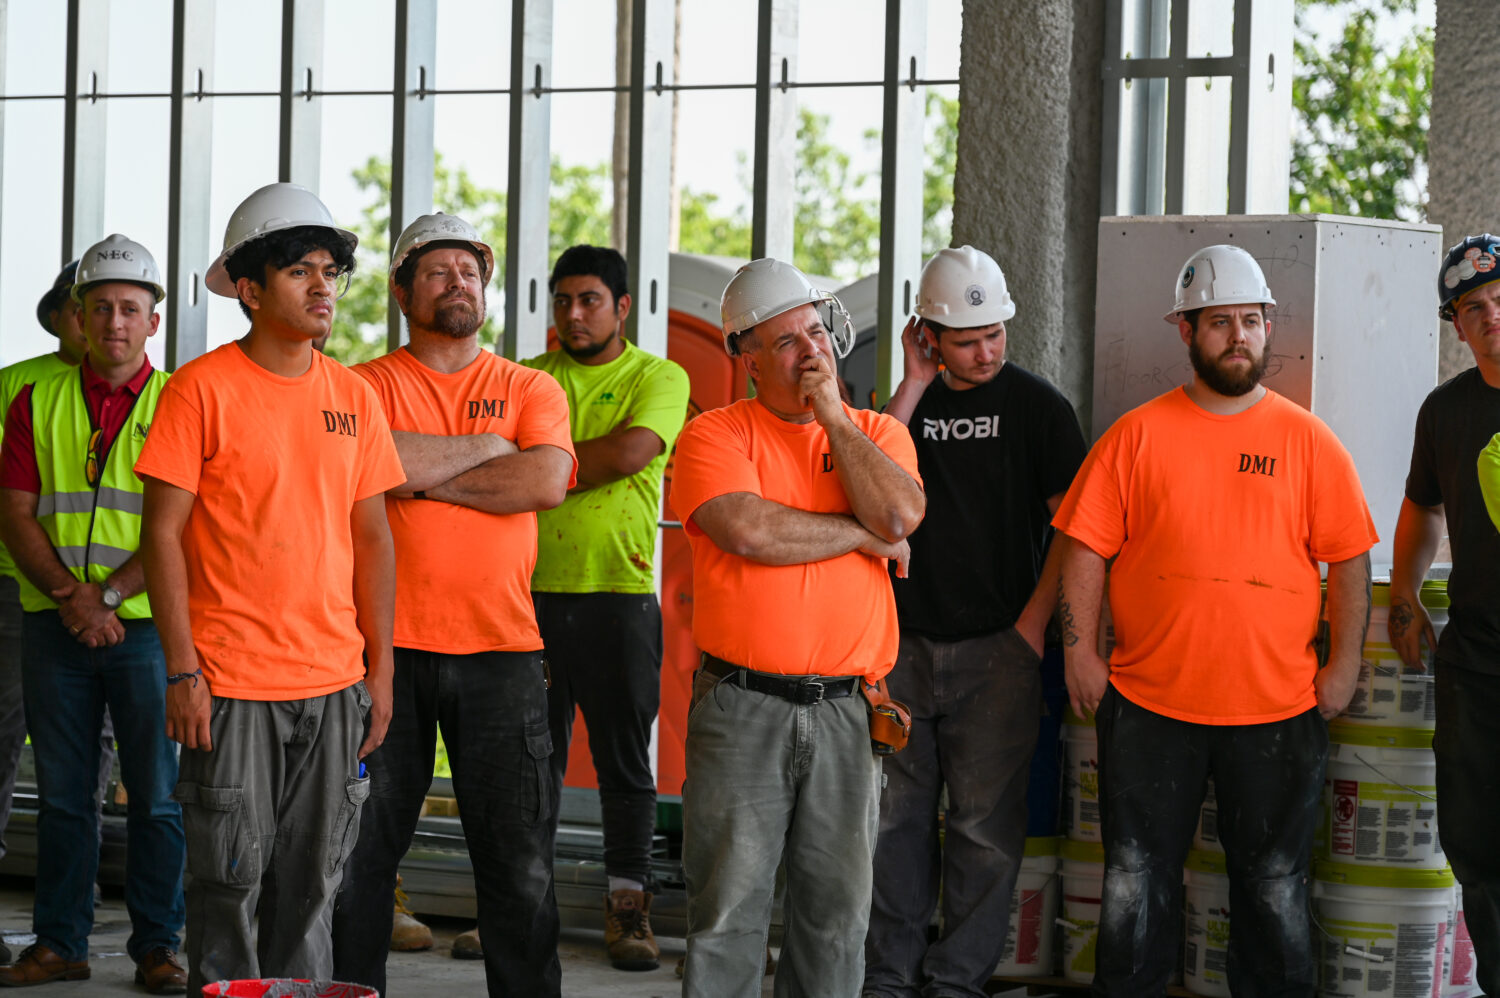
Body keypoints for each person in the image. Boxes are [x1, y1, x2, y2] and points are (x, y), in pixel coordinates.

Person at [1052, 243, 1376, 997]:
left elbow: (1351, 560)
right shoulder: (1135, 437)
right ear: (1186, 332)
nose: (1240, 336)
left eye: (1253, 321)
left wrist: (1345, 666)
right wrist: (1079, 653)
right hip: (1147, 703)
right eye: (1221, 322)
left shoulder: (1309, 442)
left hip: (1278, 708)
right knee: (1134, 880)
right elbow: (1083, 552)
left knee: (1273, 887)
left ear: (1270, 327)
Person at [135, 183, 404, 995]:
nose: (322, 286)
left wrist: (379, 672)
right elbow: (161, 536)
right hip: (231, 686)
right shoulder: (200, 390)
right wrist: (182, 670)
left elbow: (373, 538)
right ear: (250, 290)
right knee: (228, 887)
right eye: (299, 271)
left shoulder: (354, 397)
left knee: (314, 887)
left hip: (333, 685)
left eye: (330, 271)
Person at [330, 212, 575, 998]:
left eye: (469, 270)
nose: (457, 282)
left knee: (519, 866)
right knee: (362, 860)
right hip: (380, 655)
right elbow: (366, 467)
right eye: (437, 272)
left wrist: (418, 475)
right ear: (403, 291)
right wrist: (488, 454)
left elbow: (546, 481)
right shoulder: (360, 386)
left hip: (504, 652)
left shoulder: (528, 385)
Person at [670, 258, 925, 998]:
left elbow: (900, 515)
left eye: (816, 331)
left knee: (837, 918)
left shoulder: (874, 433)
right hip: (742, 706)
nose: (811, 352)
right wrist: (861, 534)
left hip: (851, 710)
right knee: (726, 913)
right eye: (786, 342)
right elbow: (748, 531)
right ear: (746, 358)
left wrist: (837, 419)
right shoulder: (716, 435)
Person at [863, 246, 1086, 998]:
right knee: (894, 823)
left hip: (999, 646)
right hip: (902, 647)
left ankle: (955, 982)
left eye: (994, 332)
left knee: (985, 829)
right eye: (966, 337)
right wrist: (914, 384)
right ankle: (888, 977)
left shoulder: (1040, 409)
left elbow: (1073, 533)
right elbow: (867, 486)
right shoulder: (906, 406)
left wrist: (1030, 628)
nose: (986, 350)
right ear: (927, 334)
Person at [0, 237, 186, 992]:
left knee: (159, 797)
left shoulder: (182, 400)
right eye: (101, 307)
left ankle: (158, 945)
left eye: (130, 309)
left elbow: (187, 522)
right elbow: (14, 511)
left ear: (153, 323)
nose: (114, 322)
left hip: (147, 627)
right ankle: (60, 941)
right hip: (55, 623)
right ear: (77, 315)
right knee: (65, 796)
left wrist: (103, 597)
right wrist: (71, 599)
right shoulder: (33, 398)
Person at [520, 244, 690, 971]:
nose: (573, 314)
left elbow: (631, 453)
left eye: (589, 300)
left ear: (623, 306)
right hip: (525, 598)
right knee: (530, 764)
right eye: (562, 301)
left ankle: (630, 911)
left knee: (624, 764)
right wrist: (536, 460)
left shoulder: (660, 375)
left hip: (619, 598)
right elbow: (502, 455)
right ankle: (521, 916)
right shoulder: (529, 376)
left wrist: (545, 462)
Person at [1390, 232, 1500, 998]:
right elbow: (1422, 508)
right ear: (1454, 326)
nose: (1491, 316)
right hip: (1479, 667)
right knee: (1477, 846)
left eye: (1499, 300)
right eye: (1472, 309)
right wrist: (1403, 594)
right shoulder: (1447, 412)